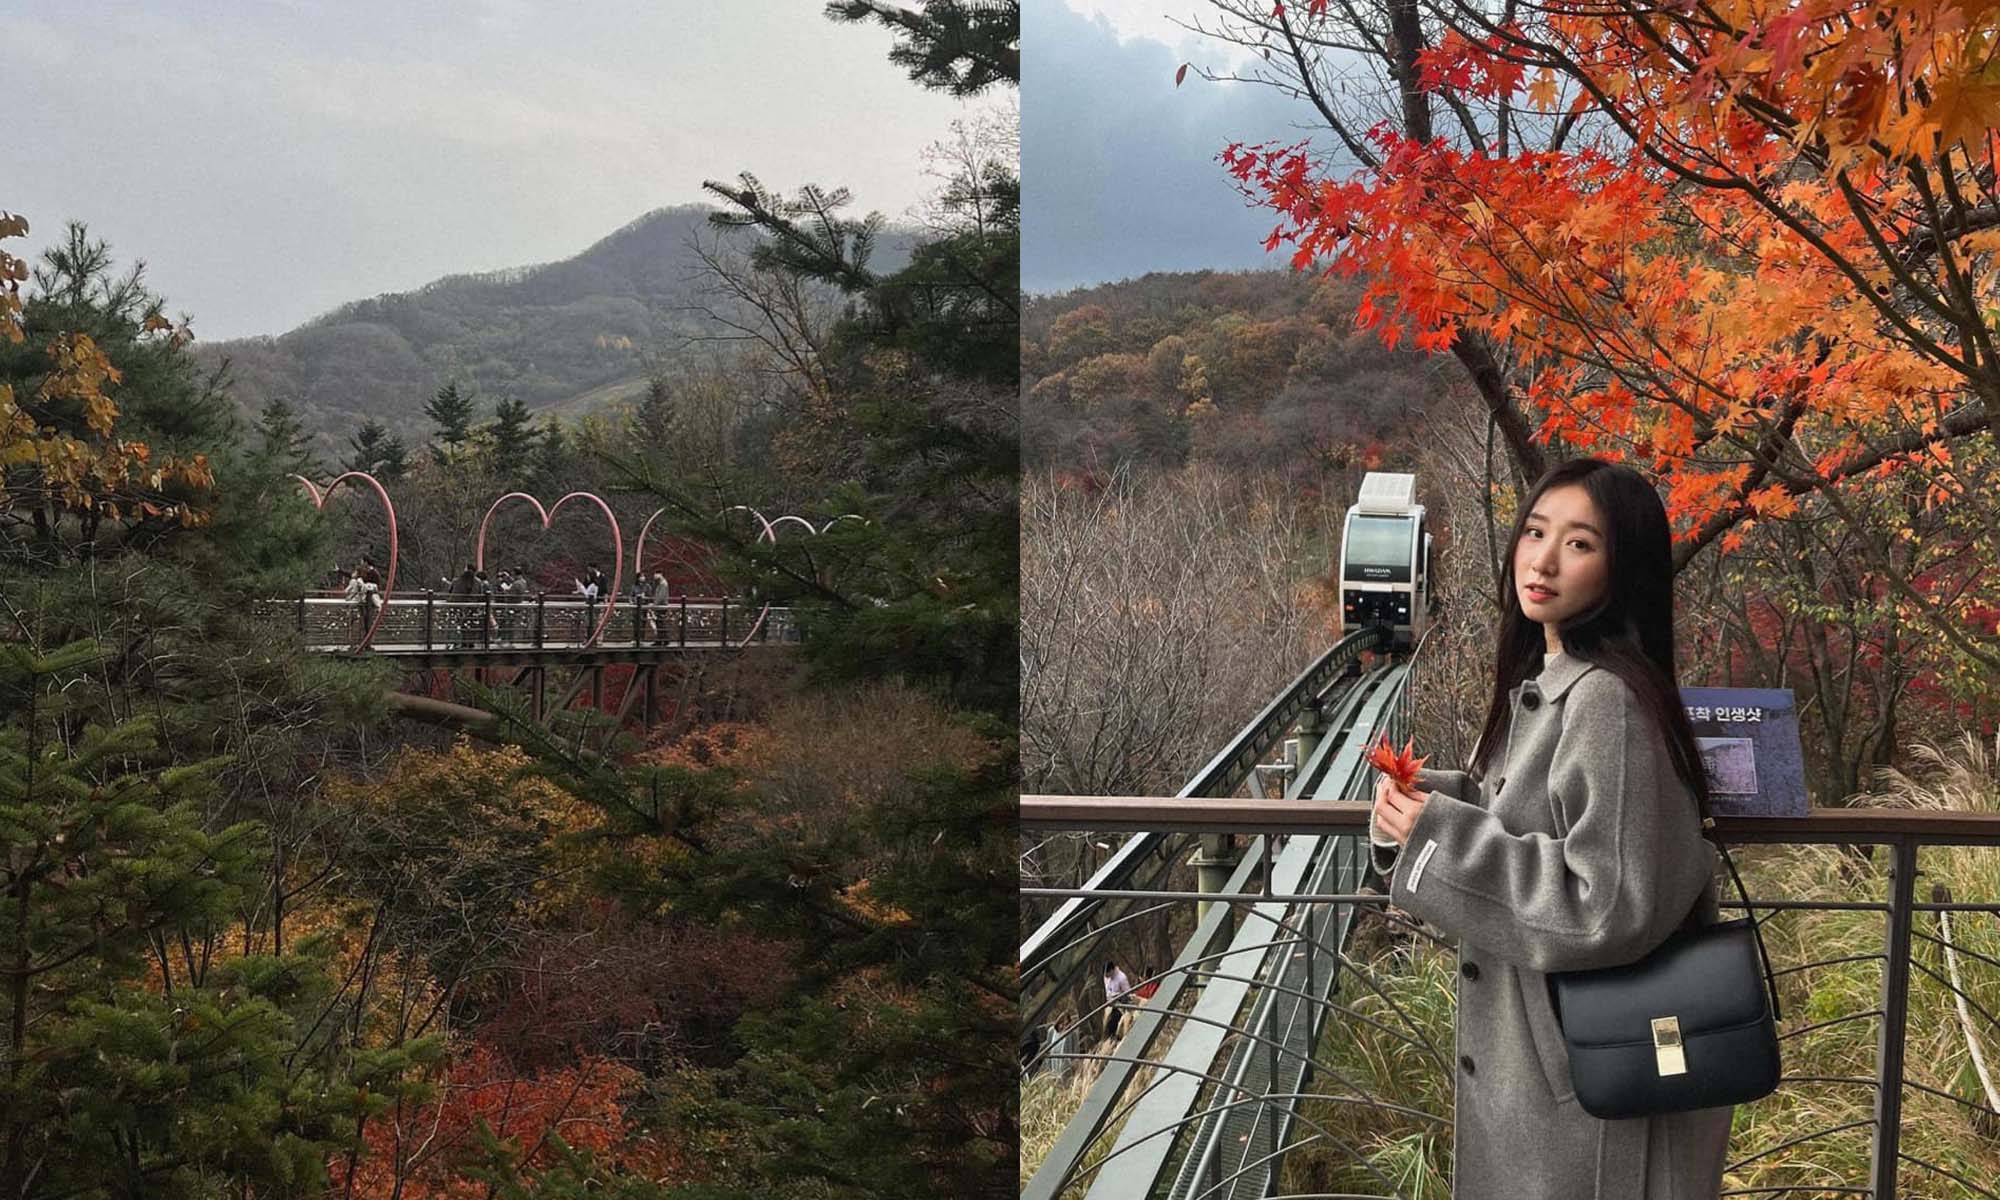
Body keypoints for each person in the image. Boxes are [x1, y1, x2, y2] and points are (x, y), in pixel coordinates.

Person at [1368, 456, 1730, 1200]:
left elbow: (1609, 905)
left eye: (1579, 543)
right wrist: (1433, 802)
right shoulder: (1551, 683)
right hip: (1551, 1069)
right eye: (1536, 531)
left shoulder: (1606, 704)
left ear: (1621, 567)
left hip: (1586, 1082)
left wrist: (1439, 836)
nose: (1542, 558)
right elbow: (1537, 814)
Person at [1101, 960, 1132, 1041]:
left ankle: (1116, 1037)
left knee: (1114, 1020)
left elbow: (1128, 993)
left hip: (1120, 1003)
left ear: (1111, 971)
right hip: (1110, 1002)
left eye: (1107, 974)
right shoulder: (1106, 978)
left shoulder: (1121, 978)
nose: (1106, 976)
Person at [643, 570, 673, 643]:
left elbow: (661, 596)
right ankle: (662, 639)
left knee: (660, 623)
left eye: (656, 574)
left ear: (660, 574)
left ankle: (663, 640)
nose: (654, 576)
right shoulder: (661, 583)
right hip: (660, 605)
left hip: (661, 606)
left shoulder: (663, 584)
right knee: (659, 623)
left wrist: (654, 605)